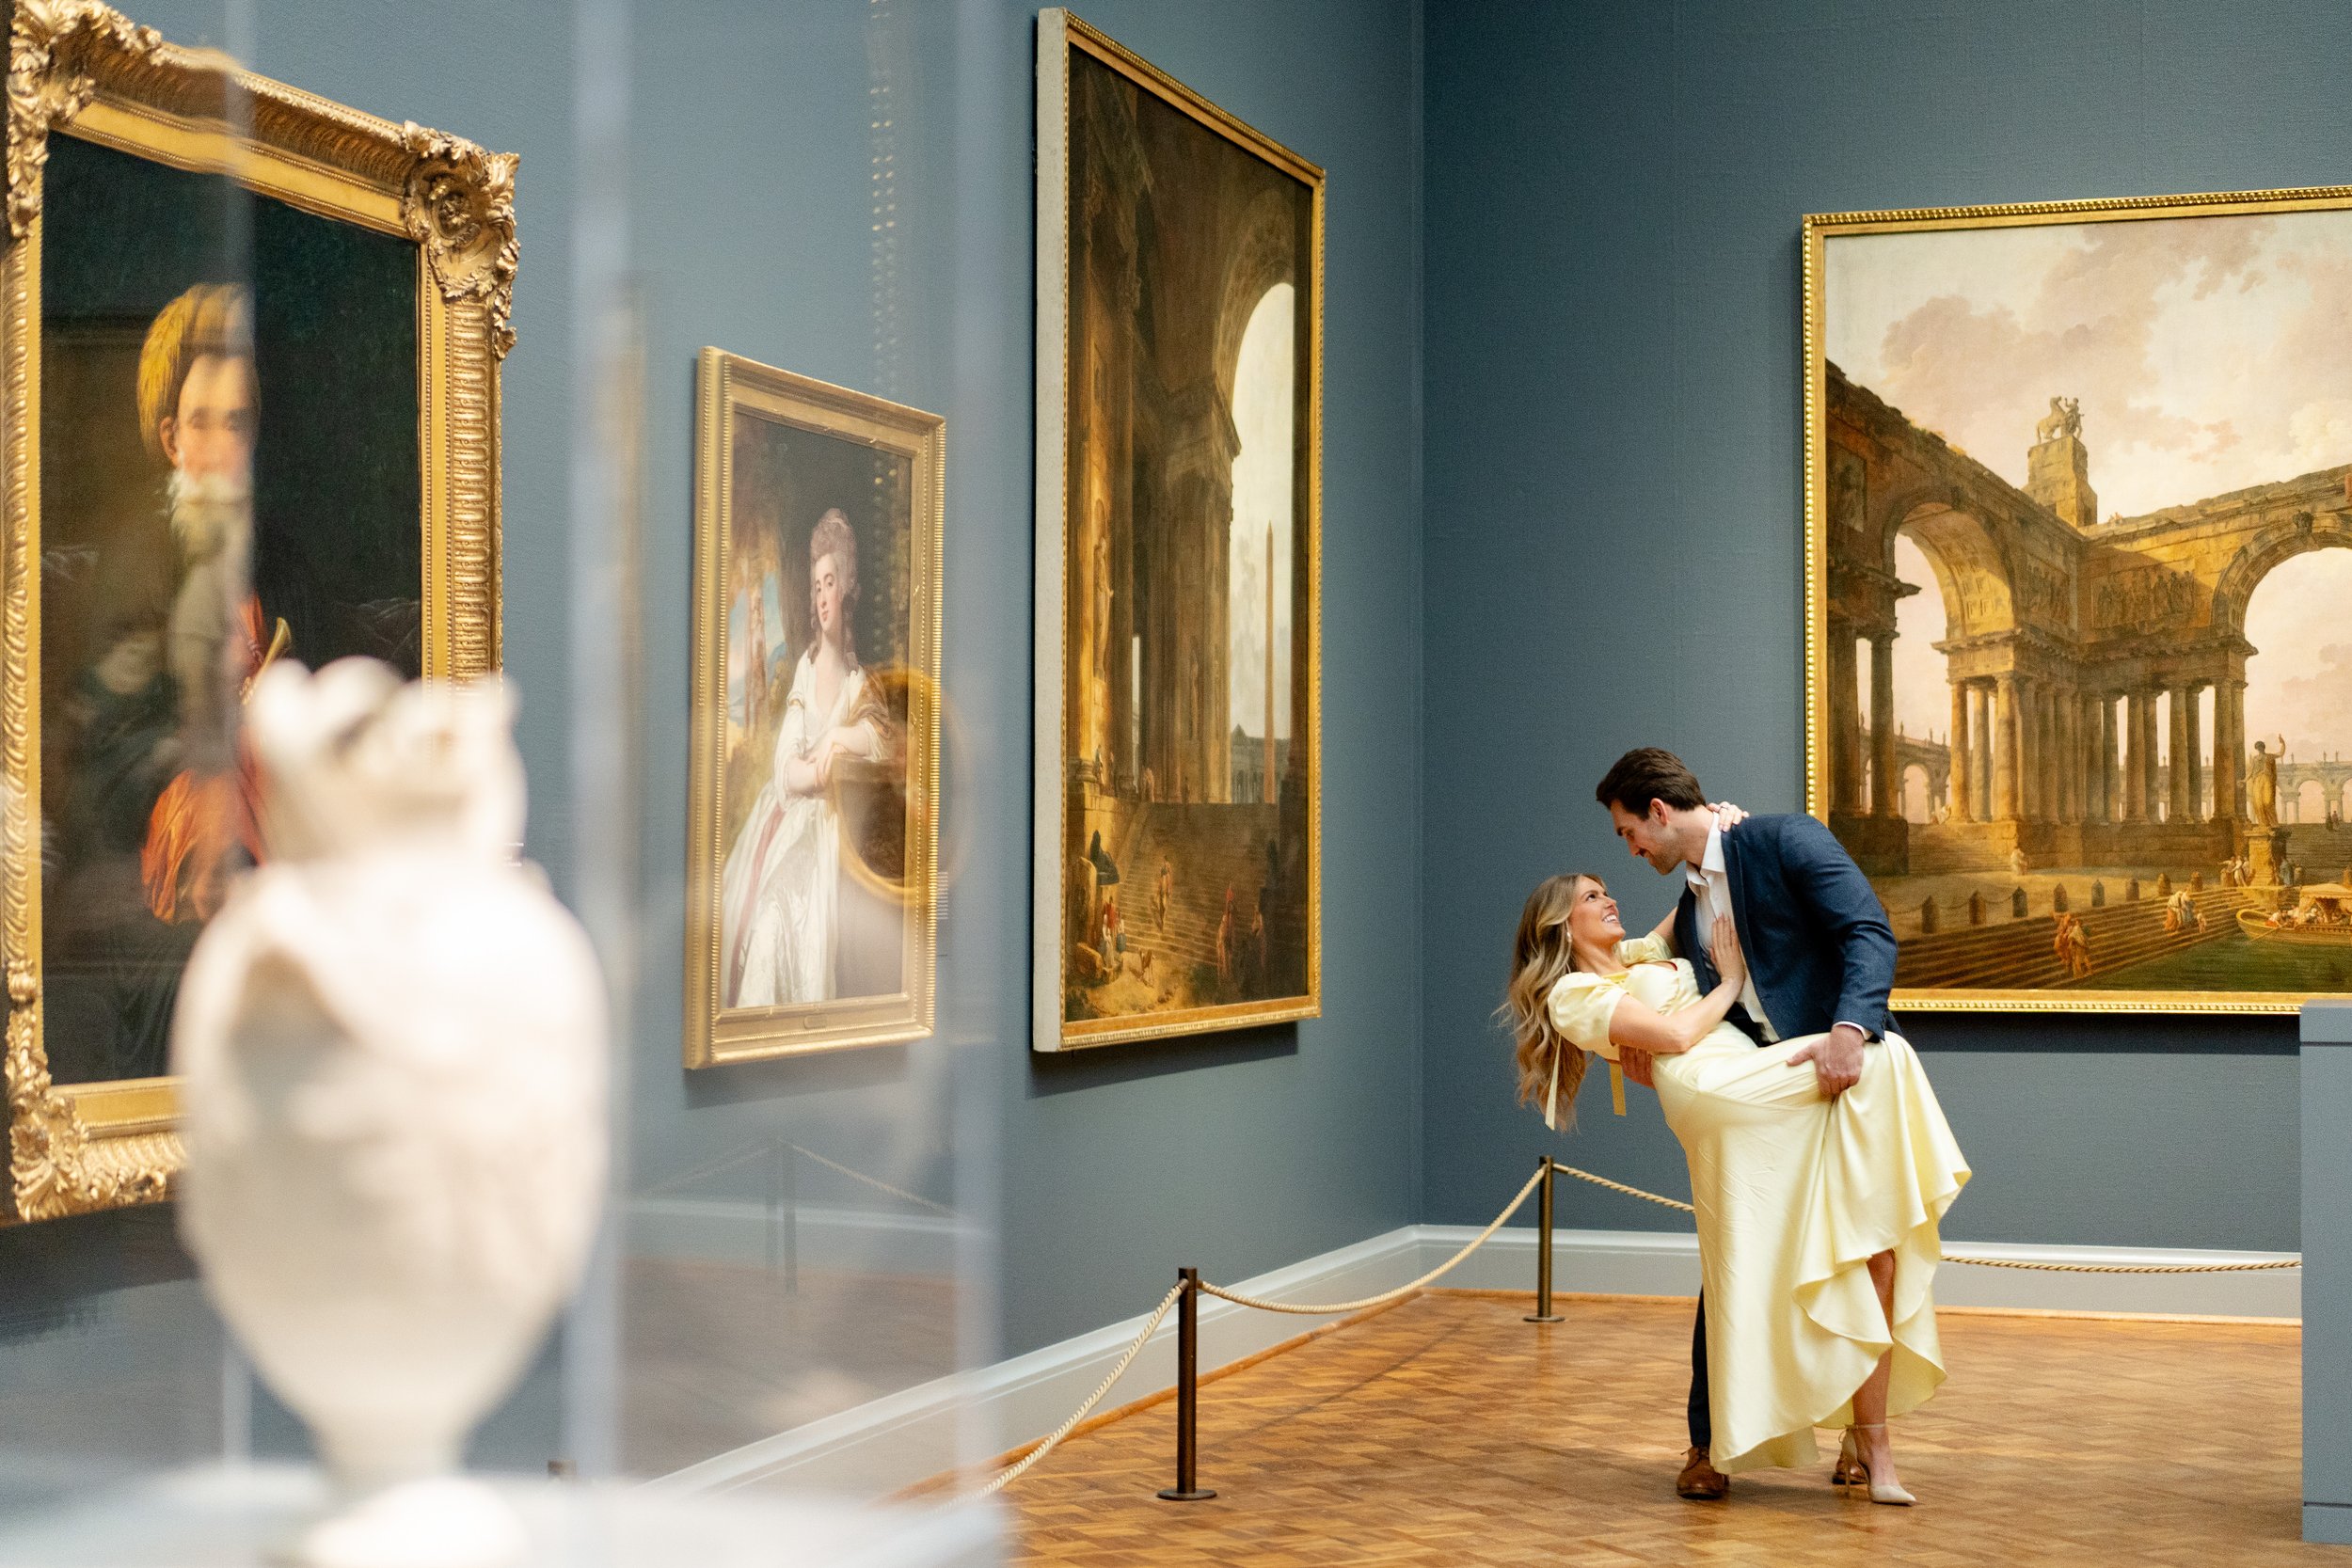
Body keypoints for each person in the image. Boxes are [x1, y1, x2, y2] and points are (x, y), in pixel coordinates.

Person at [1527, 747, 1969, 1504]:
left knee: (1865, 1250)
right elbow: (1647, 997)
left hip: (1821, 1062)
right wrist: (1638, 1039)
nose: (1628, 853)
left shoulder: (1783, 841)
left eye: (1631, 832)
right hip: (1752, 1085)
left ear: (1659, 812)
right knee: (1743, 1257)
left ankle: (1864, 1443)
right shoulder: (1689, 910)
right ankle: (1712, 1439)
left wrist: (1851, 1030)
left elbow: (1868, 930)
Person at [719, 509, 892, 1006]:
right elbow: (785, 767)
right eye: (815, 585)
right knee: (769, 917)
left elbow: (879, 740)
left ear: (847, 591)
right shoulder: (804, 667)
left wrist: (837, 738)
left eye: (829, 583)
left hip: (833, 830)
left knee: (802, 929)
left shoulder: (860, 683)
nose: (820, 598)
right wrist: (811, 771)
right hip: (790, 823)